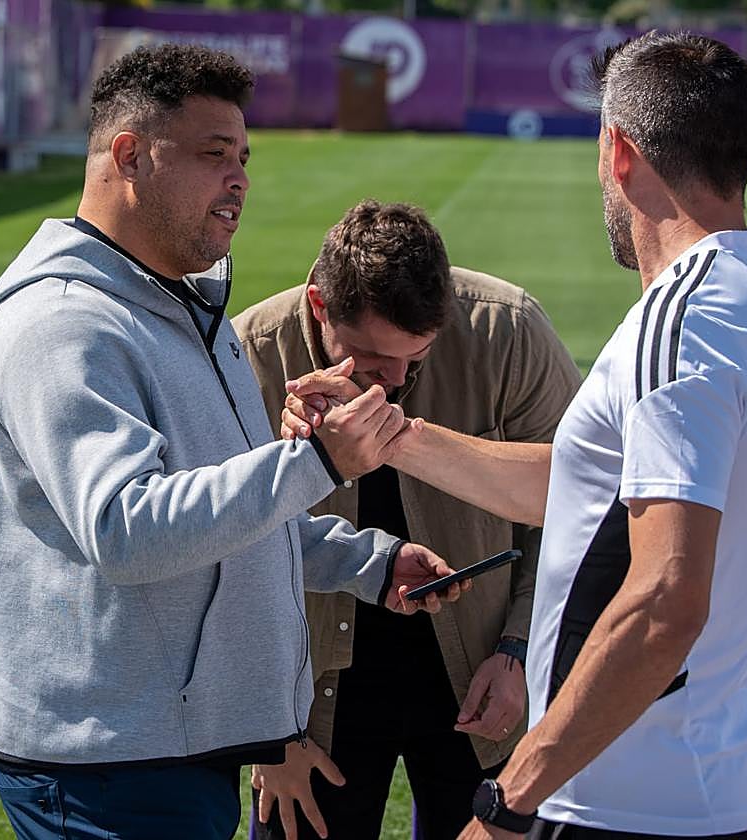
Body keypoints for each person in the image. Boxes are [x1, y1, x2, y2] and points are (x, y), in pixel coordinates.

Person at [285, 32, 747, 839]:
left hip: (631, 800)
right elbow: (583, 489)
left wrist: (511, 799)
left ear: (619, 152)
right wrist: (392, 435)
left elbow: (666, 600)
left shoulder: (683, 323)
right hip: (722, 782)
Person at [0, 44, 463, 840]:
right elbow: (129, 529)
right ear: (129, 155)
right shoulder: (63, 323)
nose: (241, 180)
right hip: (106, 769)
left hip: (167, 749)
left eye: (244, 157)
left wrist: (367, 563)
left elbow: (225, 518)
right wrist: (319, 460)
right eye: (213, 154)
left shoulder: (184, 313)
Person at [234, 199, 581, 840]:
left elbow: (579, 513)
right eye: (369, 359)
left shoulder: (507, 329)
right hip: (310, 706)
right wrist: (267, 737)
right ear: (318, 306)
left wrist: (520, 652)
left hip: (483, 681)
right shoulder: (249, 354)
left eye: (416, 356)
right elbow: (225, 557)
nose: (393, 380)